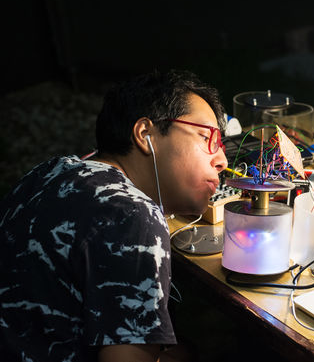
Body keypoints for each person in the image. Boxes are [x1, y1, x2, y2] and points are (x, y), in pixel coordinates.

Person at [0, 69, 228, 361]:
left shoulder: (50, 171)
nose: (221, 159)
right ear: (146, 134)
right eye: (206, 136)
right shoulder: (131, 216)